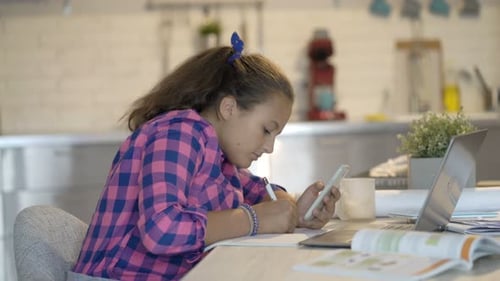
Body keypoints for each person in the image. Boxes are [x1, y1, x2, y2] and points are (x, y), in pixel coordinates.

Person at [71, 32, 340, 281]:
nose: (269, 146)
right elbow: (161, 230)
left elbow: (260, 192)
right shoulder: (179, 133)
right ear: (229, 108)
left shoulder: (220, 157)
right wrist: (253, 220)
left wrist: (295, 211)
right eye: (266, 130)